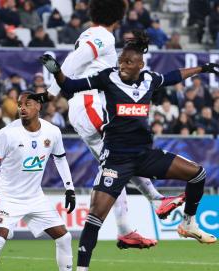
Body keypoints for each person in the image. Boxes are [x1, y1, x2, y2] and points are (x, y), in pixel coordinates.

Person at [41, 30, 217, 271]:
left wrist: (204, 68)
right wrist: (57, 73)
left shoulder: (149, 79)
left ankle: (189, 224)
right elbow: (72, 86)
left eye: (127, 62)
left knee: (197, 174)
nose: (121, 65)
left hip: (145, 156)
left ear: (139, 65)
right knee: (94, 219)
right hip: (116, 160)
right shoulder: (106, 77)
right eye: (120, 60)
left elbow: (174, 76)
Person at [44, 0, 181, 251]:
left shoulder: (91, 33)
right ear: (118, 18)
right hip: (90, 104)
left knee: (116, 165)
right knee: (122, 155)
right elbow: (76, 60)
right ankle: (155, 201)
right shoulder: (102, 37)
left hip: (84, 107)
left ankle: (127, 227)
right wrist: (51, 93)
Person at [0, 91, 76, 271]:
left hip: (35, 197)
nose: (22, 108)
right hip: (7, 196)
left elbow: (61, 159)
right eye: (19, 104)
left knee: (64, 237)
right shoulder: (7, 133)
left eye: (27, 104)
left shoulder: (53, 132)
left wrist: (70, 188)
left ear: (39, 106)